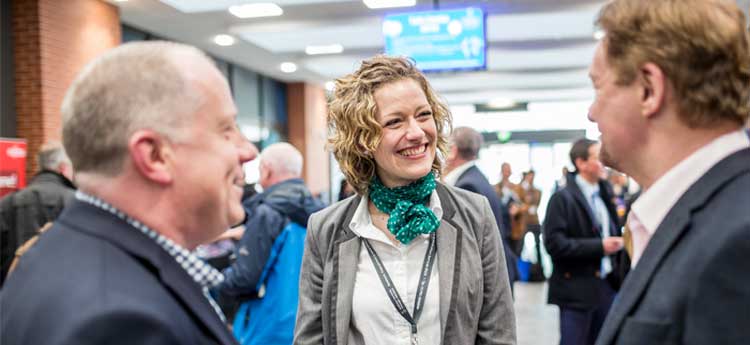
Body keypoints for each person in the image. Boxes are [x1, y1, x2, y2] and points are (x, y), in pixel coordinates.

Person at [0, 41, 257, 345]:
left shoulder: (54, 254)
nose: (248, 151)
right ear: (155, 156)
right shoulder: (120, 321)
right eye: (226, 129)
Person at [294, 56, 516, 345]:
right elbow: (311, 339)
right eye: (395, 121)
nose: (416, 133)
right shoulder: (327, 229)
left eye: (423, 115)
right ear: (363, 140)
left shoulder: (473, 214)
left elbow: (498, 334)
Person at [589, 1, 750, 344]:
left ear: (649, 89)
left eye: (599, 87)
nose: (591, 112)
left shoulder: (738, 240)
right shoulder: (704, 211)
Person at [214, 142, 324, 345]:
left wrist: (213, 282)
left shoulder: (267, 213)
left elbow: (244, 278)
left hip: (264, 328)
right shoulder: (322, 213)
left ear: (266, 170)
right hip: (309, 328)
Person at [543, 139, 627, 345]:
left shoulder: (605, 193)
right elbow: (554, 244)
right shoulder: (562, 199)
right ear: (581, 163)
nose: (604, 162)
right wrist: (600, 247)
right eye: (597, 157)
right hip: (576, 290)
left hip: (607, 286)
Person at [444, 126, 518, 289]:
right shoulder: (476, 177)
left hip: (485, 279)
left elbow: (465, 247)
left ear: (453, 151)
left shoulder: (466, 185)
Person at [0, 142, 75, 286]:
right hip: (66, 298)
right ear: (63, 168)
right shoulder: (76, 202)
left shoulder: (8, 203)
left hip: (13, 298)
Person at [518, 170, 544, 281]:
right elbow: (520, 201)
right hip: (524, 221)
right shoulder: (521, 188)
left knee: (538, 246)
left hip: (534, 221)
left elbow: (536, 201)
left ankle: (540, 271)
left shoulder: (537, 190)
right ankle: (517, 272)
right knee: (520, 246)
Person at [494, 162, 525, 256]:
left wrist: (517, 209)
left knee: (514, 254)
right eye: (505, 170)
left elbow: (524, 205)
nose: (507, 173)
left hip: (514, 226)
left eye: (508, 170)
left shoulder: (517, 188)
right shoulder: (495, 188)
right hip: (500, 224)